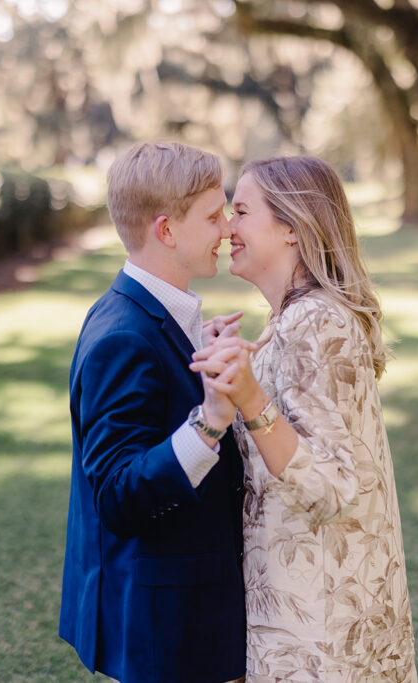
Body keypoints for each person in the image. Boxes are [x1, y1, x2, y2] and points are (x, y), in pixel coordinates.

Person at [191, 156, 417, 682]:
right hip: (309, 610)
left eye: (242, 212)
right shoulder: (288, 322)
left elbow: (332, 488)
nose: (227, 227)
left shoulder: (315, 323)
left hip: (324, 628)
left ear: (291, 228)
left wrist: (250, 399)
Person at [59, 142, 247, 683]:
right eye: (214, 216)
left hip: (182, 611)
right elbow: (117, 495)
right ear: (166, 230)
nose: (228, 228)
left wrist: (198, 355)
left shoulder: (154, 311)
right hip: (167, 629)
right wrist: (209, 421)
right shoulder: (122, 336)